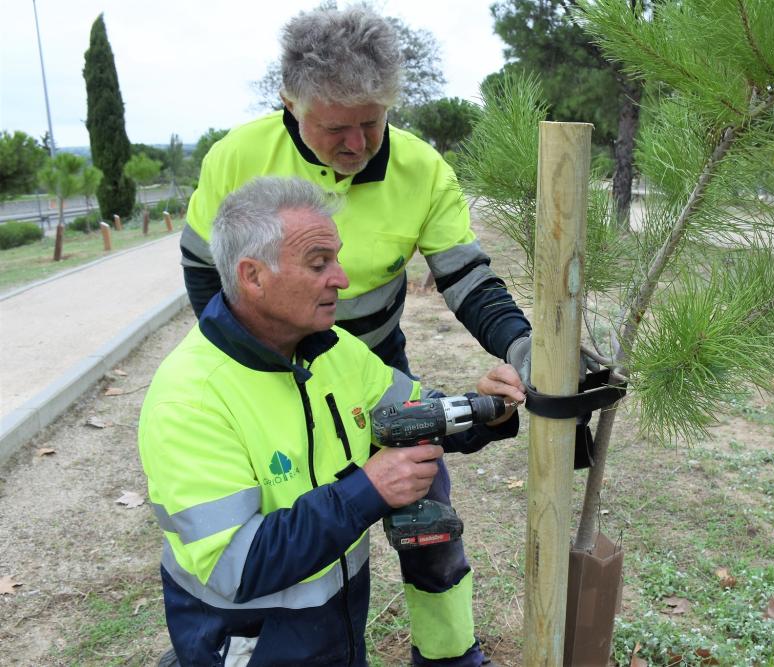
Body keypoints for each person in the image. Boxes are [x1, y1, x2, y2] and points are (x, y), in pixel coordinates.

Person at [179, 6, 534, 665]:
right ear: (291, 103)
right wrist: (239, 359)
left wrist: (518, 349)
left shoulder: (423, 169)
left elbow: (468, 280)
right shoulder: (238, 157)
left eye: (372, 123)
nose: (356, 143)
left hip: (370, 360)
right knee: (288, 528)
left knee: (430, 518)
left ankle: (450, 651)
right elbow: (205, 265)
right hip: (267, 372)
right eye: (336, 127)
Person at [142, 176, 525, 666]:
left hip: (333, 633)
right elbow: (234, 566)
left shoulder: (334, 351)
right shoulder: (189, 399)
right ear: (253, 276)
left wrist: (488, 409)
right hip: (249, 647)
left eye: (337, 259)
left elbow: (417, 413)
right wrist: (369, 490)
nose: (342, 279)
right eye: (319, 263)